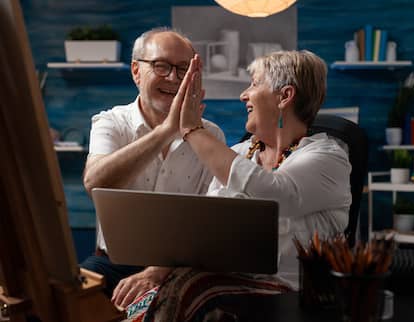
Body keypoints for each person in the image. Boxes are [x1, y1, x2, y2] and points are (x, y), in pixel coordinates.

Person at [124, 50, 352, 321]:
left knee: (192, 287)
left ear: (285, 96)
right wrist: (158, 270)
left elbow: (275, 194)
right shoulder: (240, 152)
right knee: (147, 294)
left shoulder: (328, 157)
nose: (244, 95)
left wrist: (192, 130)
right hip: (229, 279)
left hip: (293, 290)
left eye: (254, 84)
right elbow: (206, 225)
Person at [80, 27, 225, 302]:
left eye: (183, 69)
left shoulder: (212, 135)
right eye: (161, 66)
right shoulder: (110, 122)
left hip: (181, 267)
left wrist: (158, 272)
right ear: (136, 71)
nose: (173, 78)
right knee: (63, 304)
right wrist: (167, 131)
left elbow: (211, 221)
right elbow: (94, 184)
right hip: (112, 264)